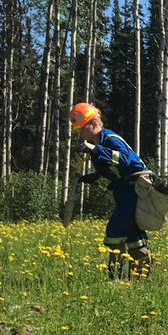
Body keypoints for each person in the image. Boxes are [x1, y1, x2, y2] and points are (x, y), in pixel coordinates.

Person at [69, 102, 153, 279]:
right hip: (123, 190)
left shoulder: (110, 140)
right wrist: (95, 176)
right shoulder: (98, 143)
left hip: (134, 188)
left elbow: (124, 160)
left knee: (115, 230)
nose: (80, 133)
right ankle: (141, 276)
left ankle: (115, 275)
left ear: (94, 124)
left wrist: (95, 149)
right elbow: (111, 167)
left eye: (82, 128)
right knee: (133, 233)